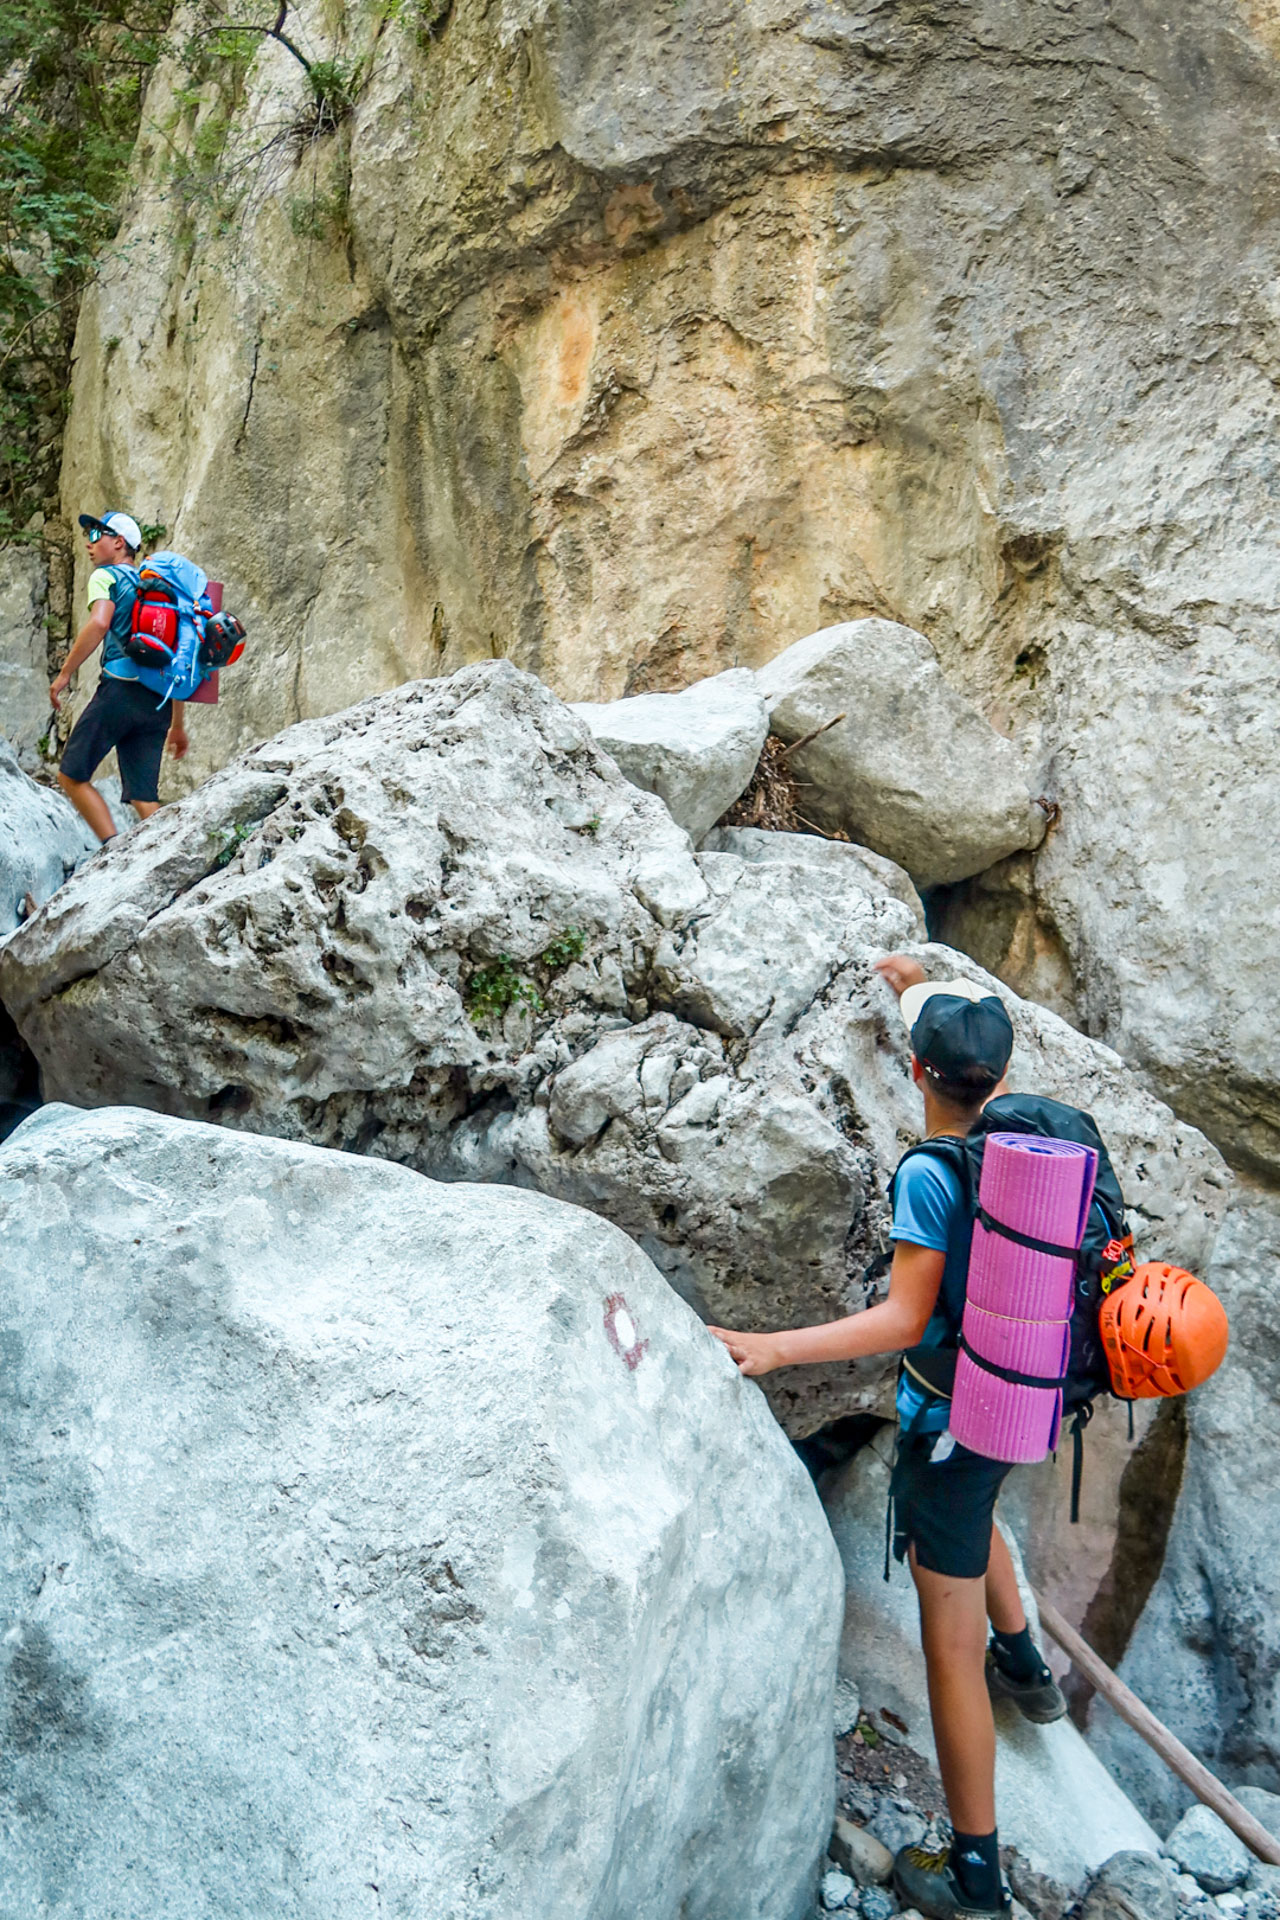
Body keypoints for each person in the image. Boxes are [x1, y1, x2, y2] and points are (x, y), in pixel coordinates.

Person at [709, 953, 1066, 1920]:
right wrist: (910, 980)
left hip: (947, 1420)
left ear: (917, 1075)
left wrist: (777, 1350)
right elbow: (945, 1030)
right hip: (1019, 1402)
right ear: (998, 1074)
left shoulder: (930, 1175)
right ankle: (1029, 1667)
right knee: (978, 1506)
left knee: (946, 1650)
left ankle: (976, 1876)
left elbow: (907, 1318)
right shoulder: (1028, 1149)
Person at [49, 511, 188, 843]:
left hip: (119, 695)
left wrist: (65, 674)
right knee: (144, 797)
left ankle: (112, 849)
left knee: (71, 776)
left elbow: (99, 623)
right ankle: (166, 852)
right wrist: (178, 725)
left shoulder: (106, 577)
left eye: (96, 534)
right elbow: (180, 660)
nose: (89, 542)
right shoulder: (158, 589)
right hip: (158, 701)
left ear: (118, 542)